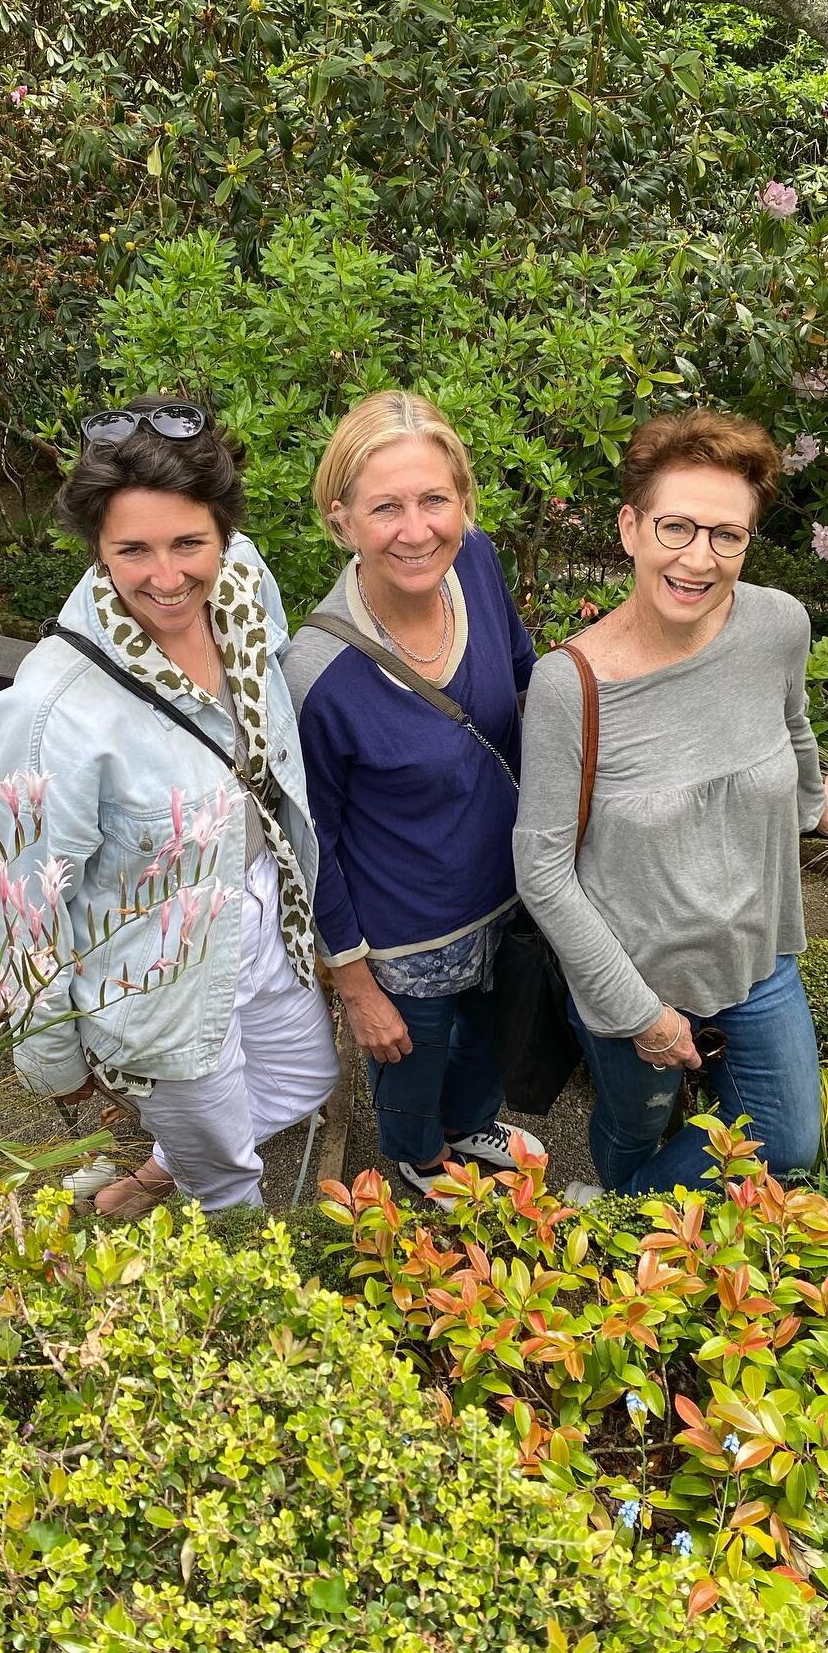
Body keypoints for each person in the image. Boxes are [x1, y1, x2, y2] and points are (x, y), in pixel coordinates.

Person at [0, 396, 338, 1214]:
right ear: (96, 550)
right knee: (232, 1182)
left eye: (190, 543)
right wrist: (55, 1061)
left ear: (223, 534)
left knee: (308, 1075)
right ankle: (243, 1275)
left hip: (262, 915)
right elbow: (30, 904)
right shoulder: (54, 707)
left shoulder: (244, 580)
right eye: (132, 550)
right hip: (157, 977)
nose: (168, 578)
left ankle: (163, 1162)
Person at [513, 407, 828, 1199]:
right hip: (631, 975)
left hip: (758, 956)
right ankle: (627, 1219)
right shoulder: (569, 684)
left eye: (726, 536)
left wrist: (816, 805)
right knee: (635, 1125)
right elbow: (541, 868)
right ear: (630, 528)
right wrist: (639, 1013)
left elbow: (792, 723)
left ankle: (615, 1220)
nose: (699, 559)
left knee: (784, 1143)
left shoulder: (776, 624)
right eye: (676, 528)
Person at [282, 390, 543, 1203]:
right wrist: (354, 987)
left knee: (487, 1046)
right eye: (385, 507)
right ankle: (417, 1155)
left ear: (463, 501)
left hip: (511, 892)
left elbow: (529, 680)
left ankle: (469, 1125)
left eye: (435, 499)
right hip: (407, 937)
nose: (417, 528)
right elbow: (310, 840)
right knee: (408, 1059)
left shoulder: (478, 560)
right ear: (342, 520)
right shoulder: (316, 674)